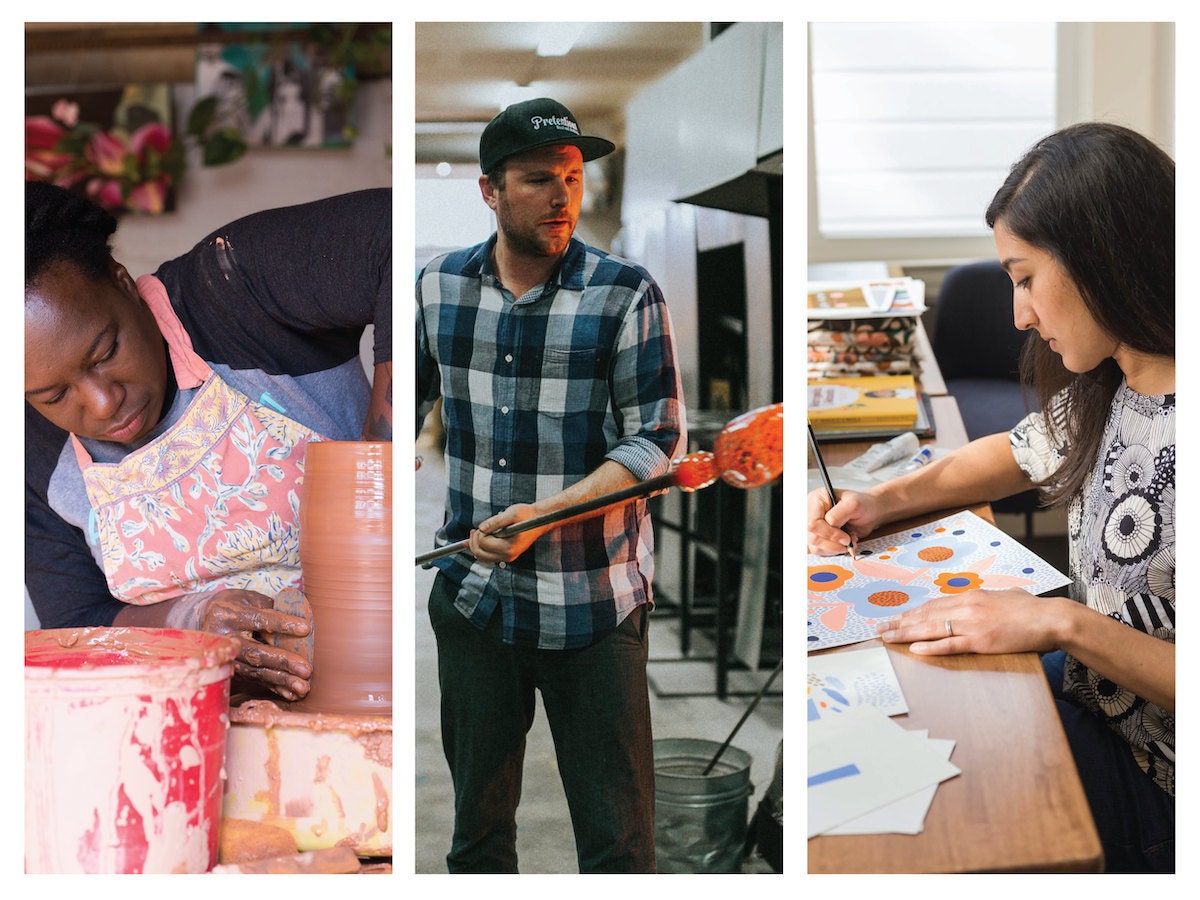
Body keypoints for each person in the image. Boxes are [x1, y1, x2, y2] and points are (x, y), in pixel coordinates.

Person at [807, 121, 1174, 873]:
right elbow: (1012, 454)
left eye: (1026, 277)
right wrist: (884, 499)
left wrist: (1062, 623)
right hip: (1097, 701)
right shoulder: (1120, 380)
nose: (1020, 315)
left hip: (1160, 782)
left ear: (1104, 257)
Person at [415, 97, 685, 873]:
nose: (564, 196)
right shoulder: (438, 287)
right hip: (473, 599)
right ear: (490, 191)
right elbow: (403, 408)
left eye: (572, 177)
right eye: (538, 179)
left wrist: (546, 516)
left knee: (618, 846)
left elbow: (656, 444)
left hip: (594, 606)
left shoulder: (625, 293)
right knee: (476, 841)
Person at [25, 182, 392, 702]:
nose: (102, 402)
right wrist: (187, 622)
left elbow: (388, 233)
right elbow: (78, 622)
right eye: (55, 393)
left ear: (122, 281)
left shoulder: (233, 292)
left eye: (105, 352)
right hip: (197, 727)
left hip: (372, 693)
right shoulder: (32, 454)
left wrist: (379, 462)